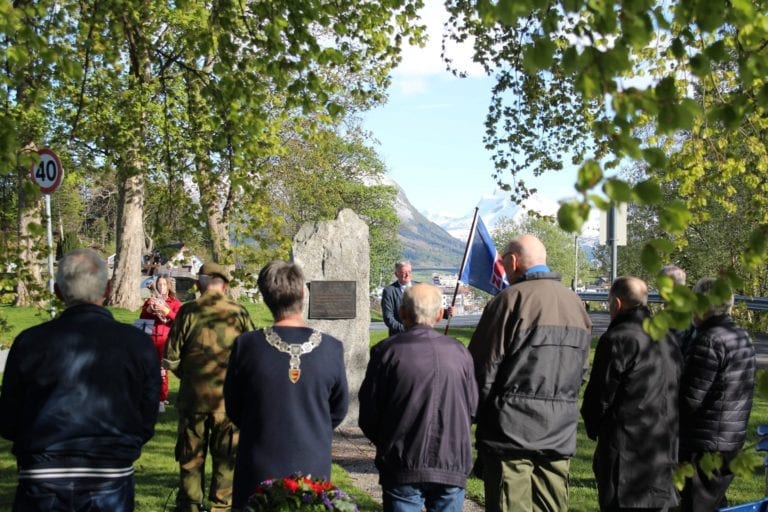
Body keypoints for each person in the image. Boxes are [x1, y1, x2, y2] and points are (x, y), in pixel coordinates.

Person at [0, 248, 160, 512]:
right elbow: (146, 413)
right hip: (109, 469)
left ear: (58, 292)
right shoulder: (136, 344)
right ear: (108, 290)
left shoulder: (30, 342)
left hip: (44, 469)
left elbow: (9, 418)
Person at [468, 234, 592, 512]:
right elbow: (581, 370)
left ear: (513, 261)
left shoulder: (508, 301)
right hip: (559, 431)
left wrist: (472, 417)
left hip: (509, 433)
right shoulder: (576, 305)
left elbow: (483, 370)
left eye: (503, 262)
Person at [224, 260, 349, 510]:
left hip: (260, 457)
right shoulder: (331, 348)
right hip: (311, 463)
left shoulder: (247, 347)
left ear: (266, 296)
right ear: (303, 293)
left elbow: (234, 407)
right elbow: (337, 410)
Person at [359, 283, 478, 512]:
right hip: (450, 461)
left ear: (402, 313)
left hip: (402, 461)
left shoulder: (387, 352)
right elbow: (472, 408)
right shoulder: (461, 353)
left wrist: (389, 442)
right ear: (440, 314)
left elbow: (368, 413)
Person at [581, 276, 682, 511]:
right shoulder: (667, 338)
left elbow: (599, 395)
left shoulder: (617, 339)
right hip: (663, 445)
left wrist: (594, 426)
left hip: (625, 451)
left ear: (616, 303)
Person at [165, 262, 255, 512]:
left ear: (198, 284)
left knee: (190, 461)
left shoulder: (188, 312)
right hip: (229, 404)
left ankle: (191, 506)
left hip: (193, 401)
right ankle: (221, 507)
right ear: (225, 285)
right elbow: (252, 358)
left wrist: (191, 376)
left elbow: (171, 357)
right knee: (226, 462)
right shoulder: (240, 313)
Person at [678, 277, 756, 512]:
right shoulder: (741, 336)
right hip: (730, 438)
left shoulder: (709, 340)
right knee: (714, 504)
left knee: (695, 505)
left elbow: (690, 398)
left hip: (703, 442)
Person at [139, 274, 182, 411]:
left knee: (162, 371)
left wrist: (166, 311)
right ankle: (148, 396)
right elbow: (142, 321)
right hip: (151, 339)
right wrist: (149, 310)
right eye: (159, 284)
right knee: (149, 370)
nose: (161, 287)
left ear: (169, 286)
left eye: (164, 284)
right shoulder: (150, 300)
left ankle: (161, 399)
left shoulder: (175, 303)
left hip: (166, 341)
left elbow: (180, 321)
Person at [381, 260, 414, 336]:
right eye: (403, 273)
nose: (407, 275)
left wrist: (446, 313)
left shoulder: (420, 287)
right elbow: (388, 318)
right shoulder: (389, 291)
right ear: (396, 274)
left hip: (419, 338)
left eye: (409, 272)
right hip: (398, 337)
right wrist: (406, 330)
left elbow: (429, 309)